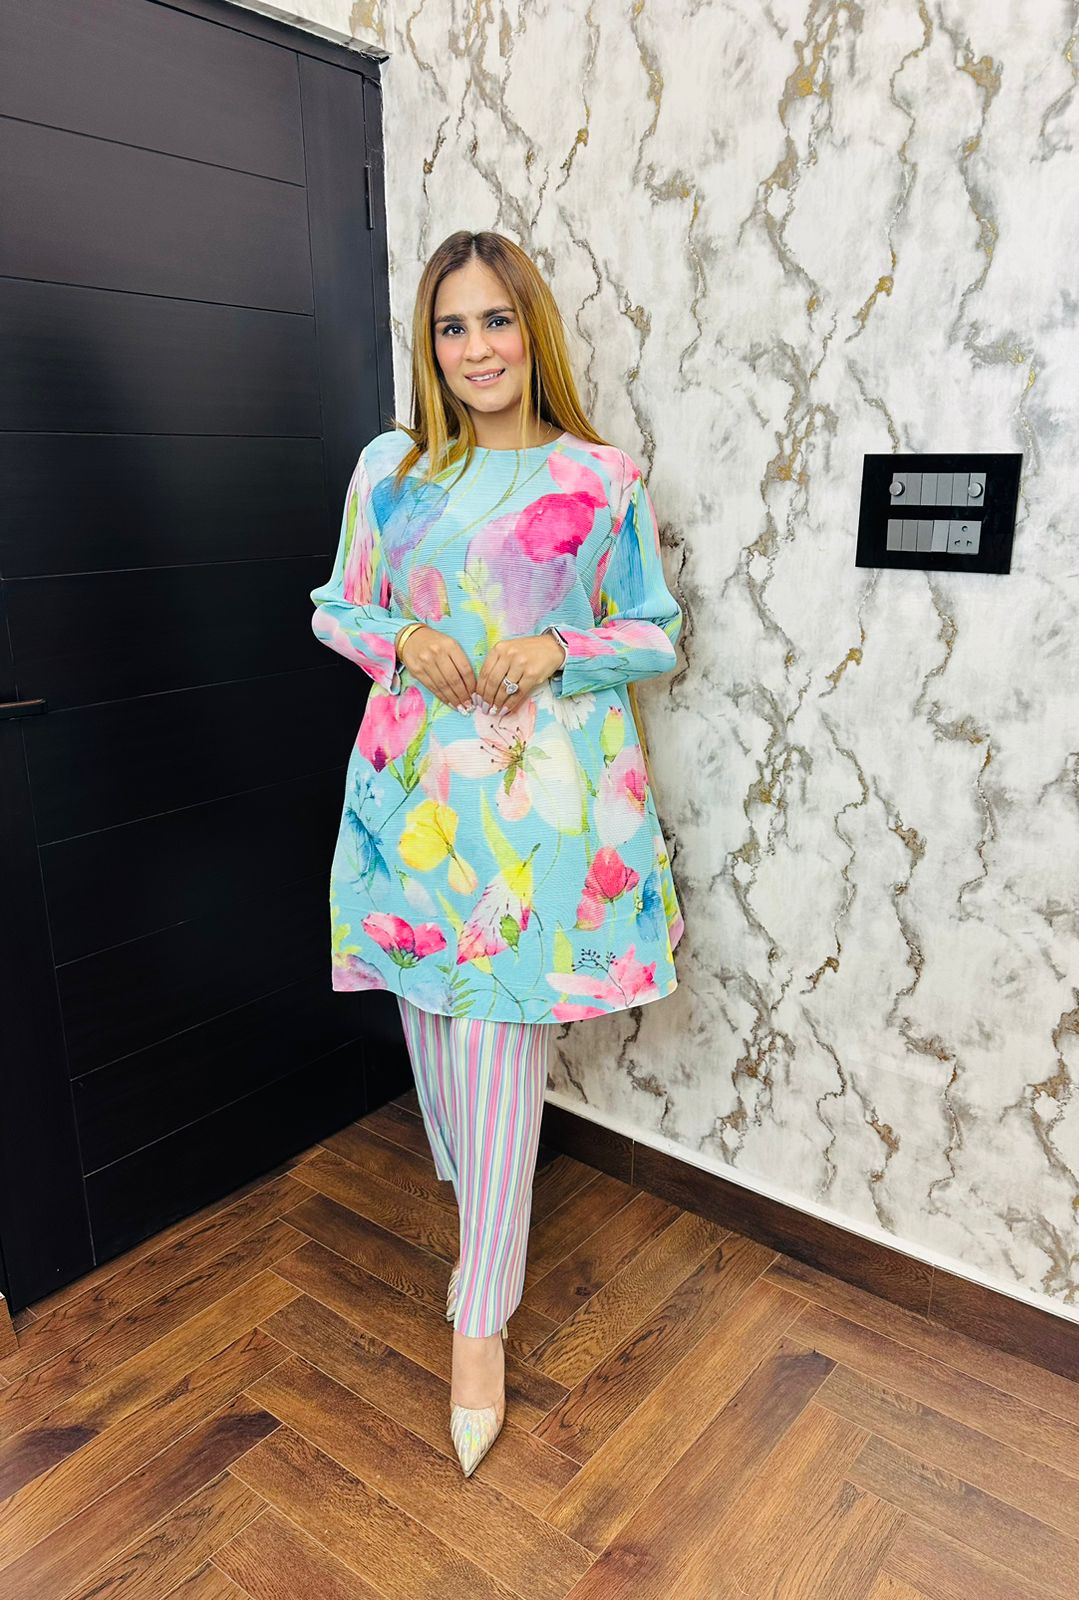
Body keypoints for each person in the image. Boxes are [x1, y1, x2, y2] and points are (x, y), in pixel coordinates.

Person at [309, 230, 685, 1477]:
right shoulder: (394, 472)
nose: (476, 348)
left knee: (495, 1044)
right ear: (432, 346)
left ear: (534, 330)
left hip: (535, 815)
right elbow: (338, 605)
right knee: (434, 1030)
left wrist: (560, 649)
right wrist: (400, 642)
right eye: (451, 326)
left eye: (496, 320)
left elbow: (656, 631)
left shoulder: (600, 478)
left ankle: (480, 1320)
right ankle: (484, 1223)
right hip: (414, 802)